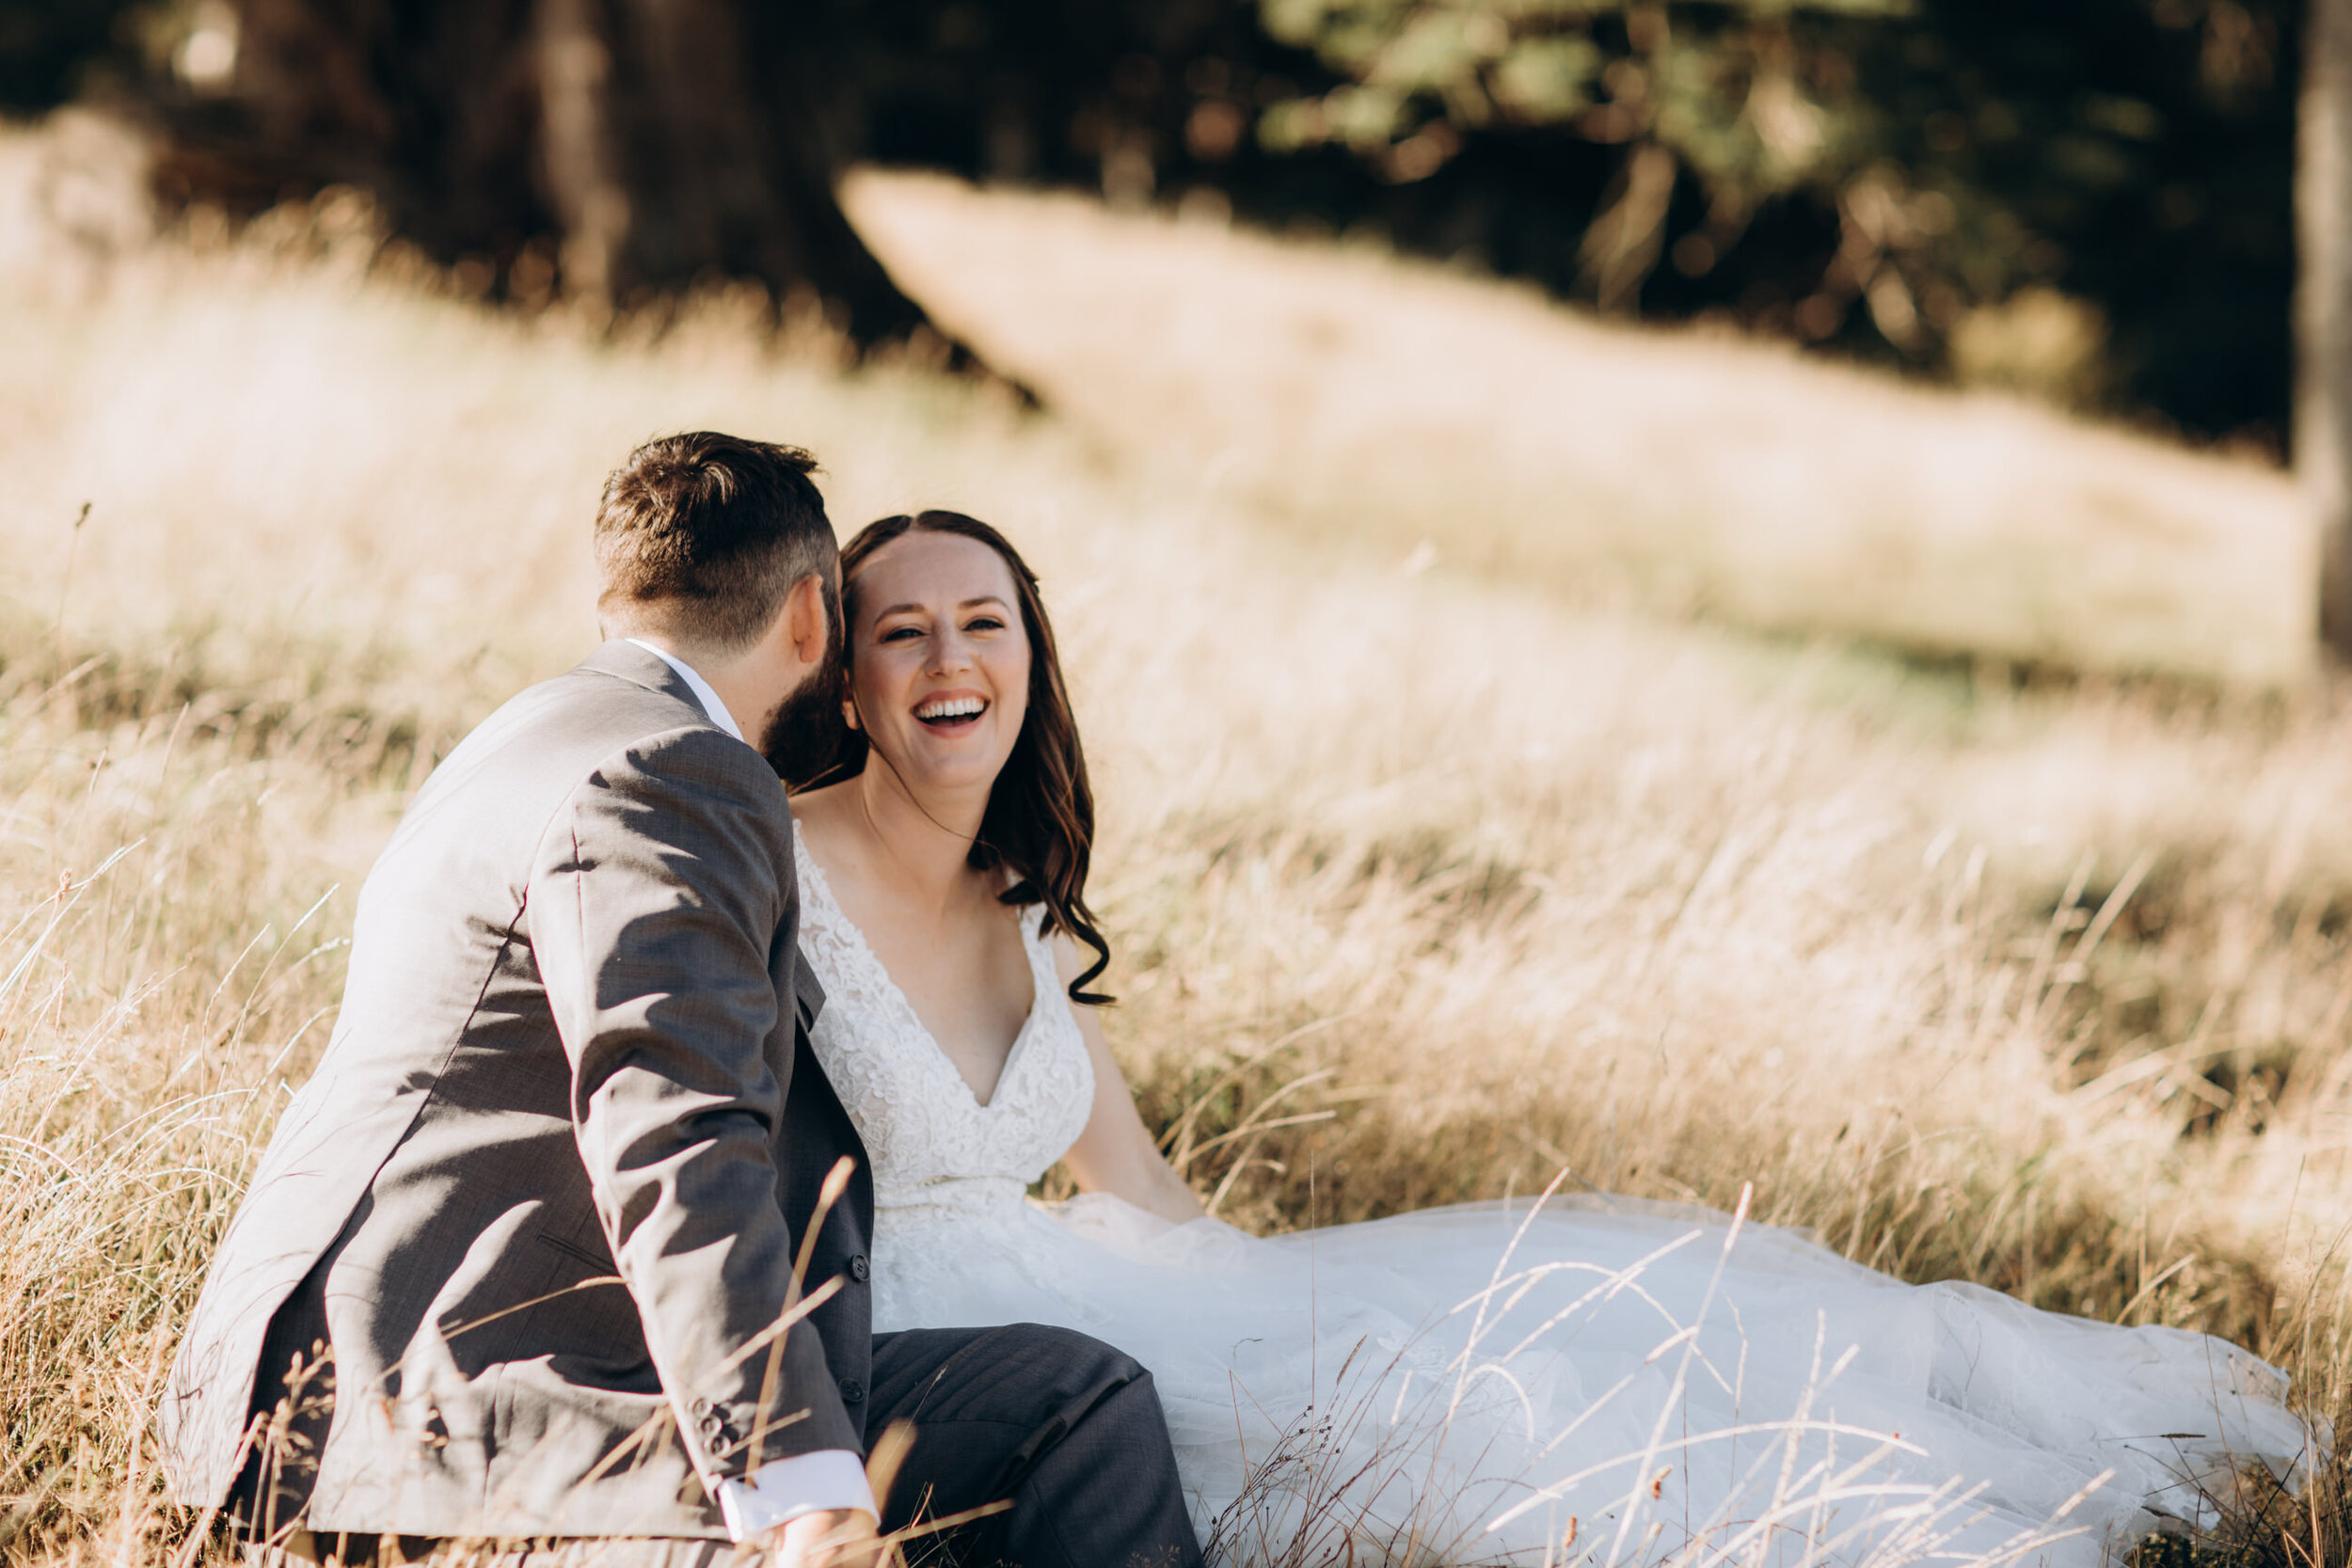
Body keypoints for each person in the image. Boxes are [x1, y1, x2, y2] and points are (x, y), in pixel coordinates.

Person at [770, 508, 2317, 1568]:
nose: (950, 658)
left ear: (1031, 656)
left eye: (985, 620)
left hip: (1079, 1271)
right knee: (1454, 1428)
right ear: (845, 669)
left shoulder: (1020, 893)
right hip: (903, 1309)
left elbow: (1154, 1198)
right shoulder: (766, 858)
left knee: (1567, 1328)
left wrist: (1274, 1292)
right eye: (903, 631)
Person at [160, 436, 1204, 1568]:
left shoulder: (529, 732)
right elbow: (674, 1131)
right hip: (446, 1412)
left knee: (1073, 1399)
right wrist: (804, 1487)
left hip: (371, 1365)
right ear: (814, 621)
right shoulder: (675, 768)